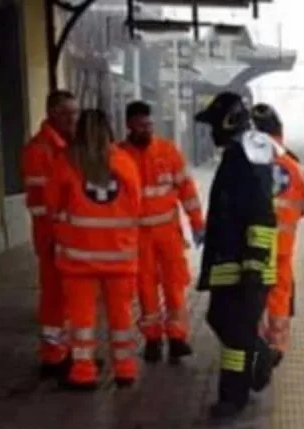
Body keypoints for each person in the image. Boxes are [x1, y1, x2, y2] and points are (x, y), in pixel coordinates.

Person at [194, 91, 279, 421]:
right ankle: (258, 357)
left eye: (214, 124)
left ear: (229, 122)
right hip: (229, 262)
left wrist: (254, 265)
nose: (211, 132)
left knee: (237, 333)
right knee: (222, 321)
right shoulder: (237, 154)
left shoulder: (250, 154)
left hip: (245, 266)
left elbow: (261, 213)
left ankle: (234, 395)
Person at [45, 109, 142, 389]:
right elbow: (136, 205)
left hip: (78, 259)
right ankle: (125, 369)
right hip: (119, 257)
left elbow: (52, 206)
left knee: (82, 320)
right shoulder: (124, 162)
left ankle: (83, 371)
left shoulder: (66, 162)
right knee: (121, 317)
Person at [119, 101, 205, 364]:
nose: (147, 129)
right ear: (129, 125)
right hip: (137, 236)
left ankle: (177, 337)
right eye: (141, 125)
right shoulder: (119, 156)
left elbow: (187, 191)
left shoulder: (168, 152)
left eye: (150, 124)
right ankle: (153, 339)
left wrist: (197, 223)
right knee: (145, 288)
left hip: (167, 233)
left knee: (175, 284)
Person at [21, 90, 79, 377]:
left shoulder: (61, 147)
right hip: (52, 236)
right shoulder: (40, 150)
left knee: (66, 298)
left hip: (64, 235)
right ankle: (53, 356)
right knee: (55, 298)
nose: (73, 119)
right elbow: (47, 201)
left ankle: (64, 352)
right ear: (52, 113)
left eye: (75, 113)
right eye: (67, 113)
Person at [250, 103, 304, 367]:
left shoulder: (247, 163)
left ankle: (254, 344)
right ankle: (275, 346)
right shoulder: (296, 169)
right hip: (282, 247)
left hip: (251, 245)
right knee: (279, 295)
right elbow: (302, 209)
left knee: (250, 296)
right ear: (281, 132)